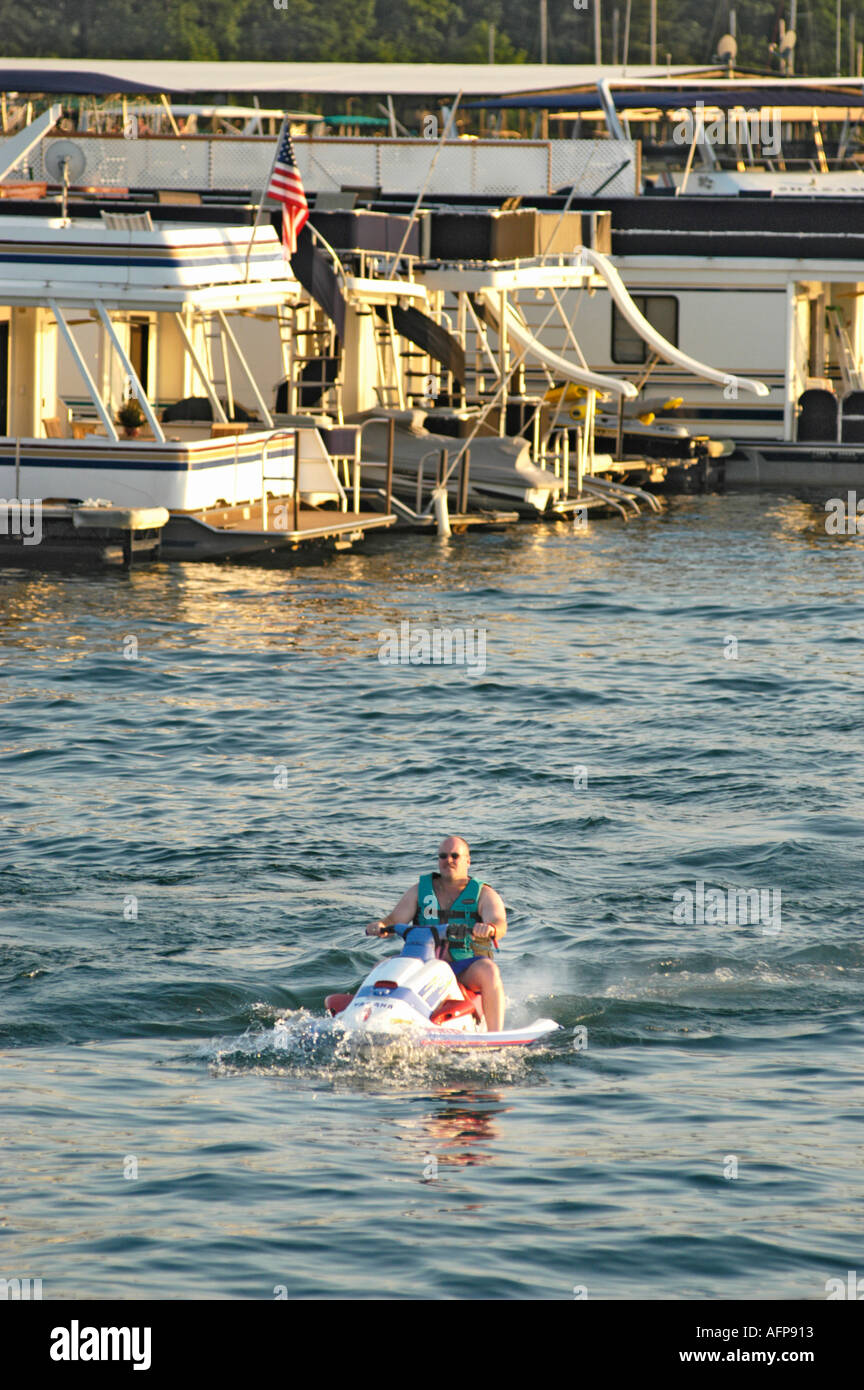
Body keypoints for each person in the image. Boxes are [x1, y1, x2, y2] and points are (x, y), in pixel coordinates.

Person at [365, 835, 507, 1031]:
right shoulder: (419, 891)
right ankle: (365, 1021)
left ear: (468, 860)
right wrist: (380, 925)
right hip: (422, 962)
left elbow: (499, 922)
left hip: (464, 966)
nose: (448, 860)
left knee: (489, 971)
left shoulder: (484, 894)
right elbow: (393, 920)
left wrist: (490, 928)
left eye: (455, 856)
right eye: (443, 856)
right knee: (381, 966)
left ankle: (495, 1034)